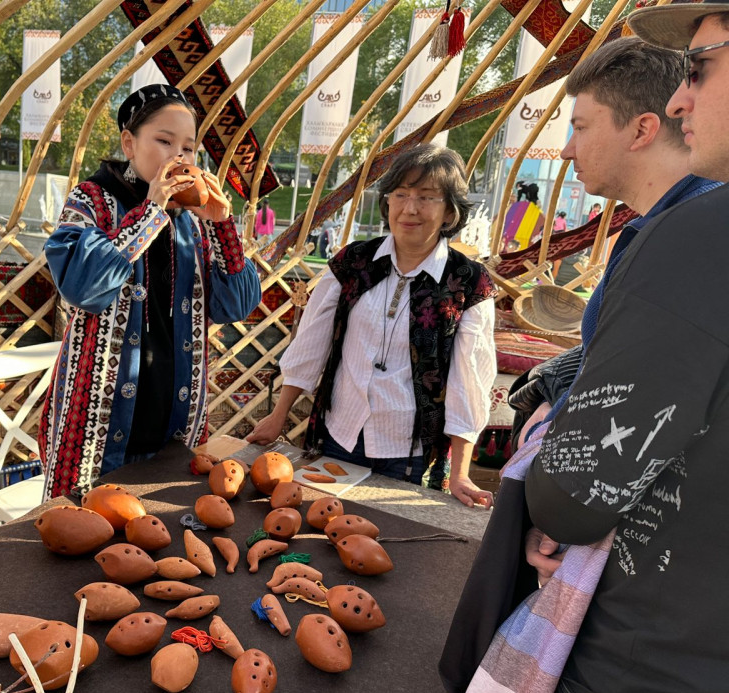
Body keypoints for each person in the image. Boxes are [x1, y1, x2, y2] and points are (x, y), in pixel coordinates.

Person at [525, 8, 729, 693]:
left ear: (638, 130)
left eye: (700, 68)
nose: (680, 99)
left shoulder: (699, 238)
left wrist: (553, 491)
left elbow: (576, 494)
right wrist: (560, 386)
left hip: (652, 676)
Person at [38, 84, 261, 498]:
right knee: (85, 525)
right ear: (129, 143)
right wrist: (150, 213)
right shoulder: (92, 201)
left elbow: (236, 305)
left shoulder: (194, 222)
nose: (179, 157)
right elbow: (84, 288)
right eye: (164, 141)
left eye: (189, 148)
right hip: (96, 429)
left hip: (177, 426)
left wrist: (222, 225)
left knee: (169, 523)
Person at [247, 144, 496, 508]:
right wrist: (278, 415)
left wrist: (459, 472)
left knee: (384, 536)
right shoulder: (354, 262)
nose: (410, 208)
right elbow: (311, 344)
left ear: (449, 211)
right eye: (401, 194)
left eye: (426, 197)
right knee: (321, 523)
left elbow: (468, 381)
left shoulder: (468, 283)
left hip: (408, 451)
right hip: (339, 434)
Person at [516, 36, 720, 444]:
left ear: (642, 130)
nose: (567, 151)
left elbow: (641, 403)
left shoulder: (687, 242)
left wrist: (544, 435)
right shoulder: (668, 227)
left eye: (580, 128)